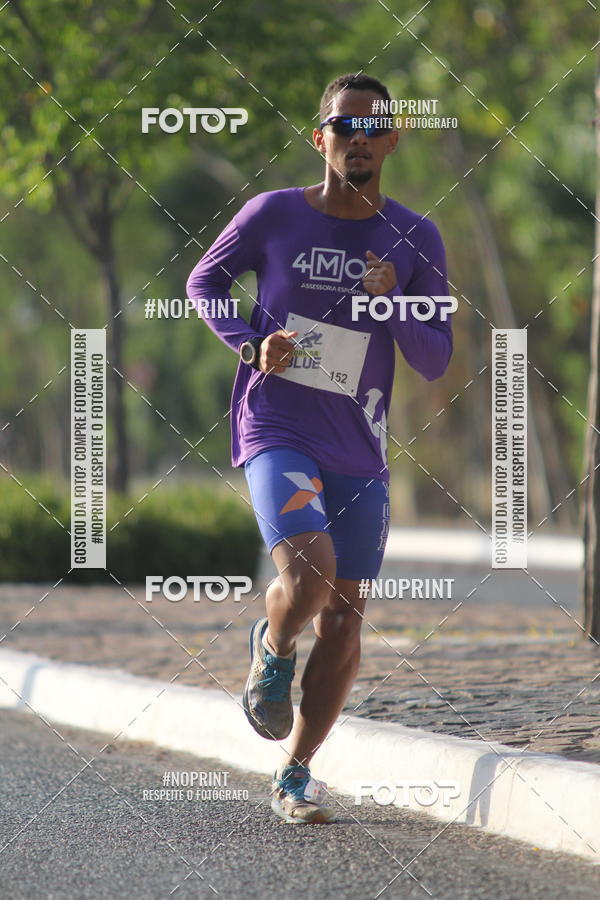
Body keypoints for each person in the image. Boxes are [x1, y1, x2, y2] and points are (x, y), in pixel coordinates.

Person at [186, 72, 453, 824]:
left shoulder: (413, 238)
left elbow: (435, 357)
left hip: (358, 447)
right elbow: (204, 281)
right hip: (276, 424)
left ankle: (295, 773)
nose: (358, 141)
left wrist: (391, 301)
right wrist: (249, 342)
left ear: (393, 140)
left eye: (373, 130)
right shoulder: (271, 216)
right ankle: (272, 650)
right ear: (320, 138)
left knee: (344, 616)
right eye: (344, 128)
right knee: (309, 576)